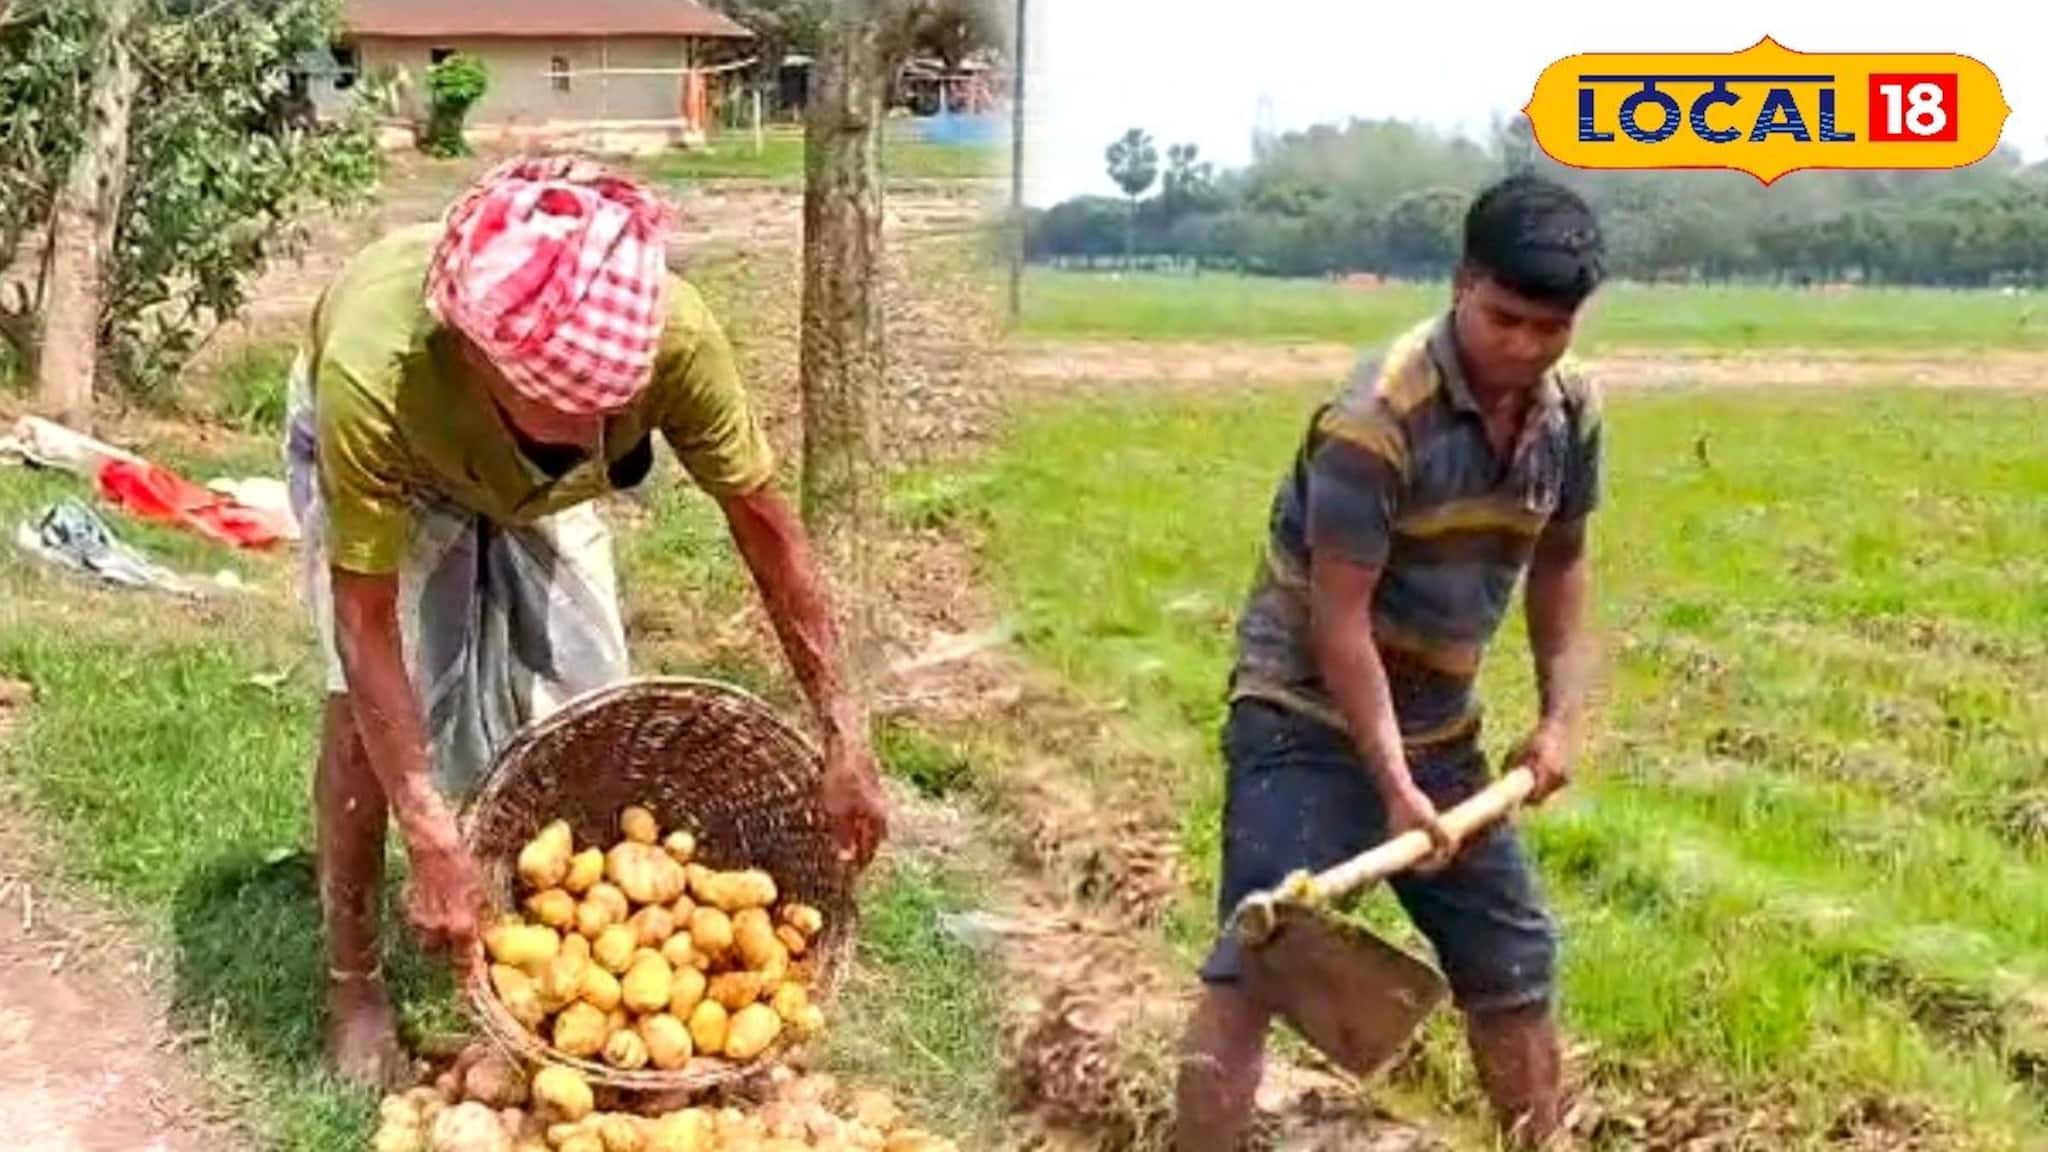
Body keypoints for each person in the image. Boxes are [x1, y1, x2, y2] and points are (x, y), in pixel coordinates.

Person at [282, 156, 890, 1086]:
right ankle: (352, 982)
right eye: (563, 411)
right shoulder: (379, 373)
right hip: (406, 468)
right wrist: (427, 828)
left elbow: (769, 533)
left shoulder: (670, 338)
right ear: (478, 358)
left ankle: (551, 956)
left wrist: (843, 731)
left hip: (538, 492)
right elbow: (364, 626)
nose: (593, 436)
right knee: (370, 725)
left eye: (610, 411)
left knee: (594, 708)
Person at [1173, 172, 1606, 1150]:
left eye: (1549, 328)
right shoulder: (1375, 417)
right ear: (1461, 284)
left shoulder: (1569, 412)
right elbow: (1340, 622)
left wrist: (1557, 718)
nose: (1523, 348)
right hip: (1303, 715)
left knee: (1514, 964)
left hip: (1439, 725)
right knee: (1257, 962)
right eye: (1504, 320)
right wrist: (1392, 784)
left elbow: (1561, 561)